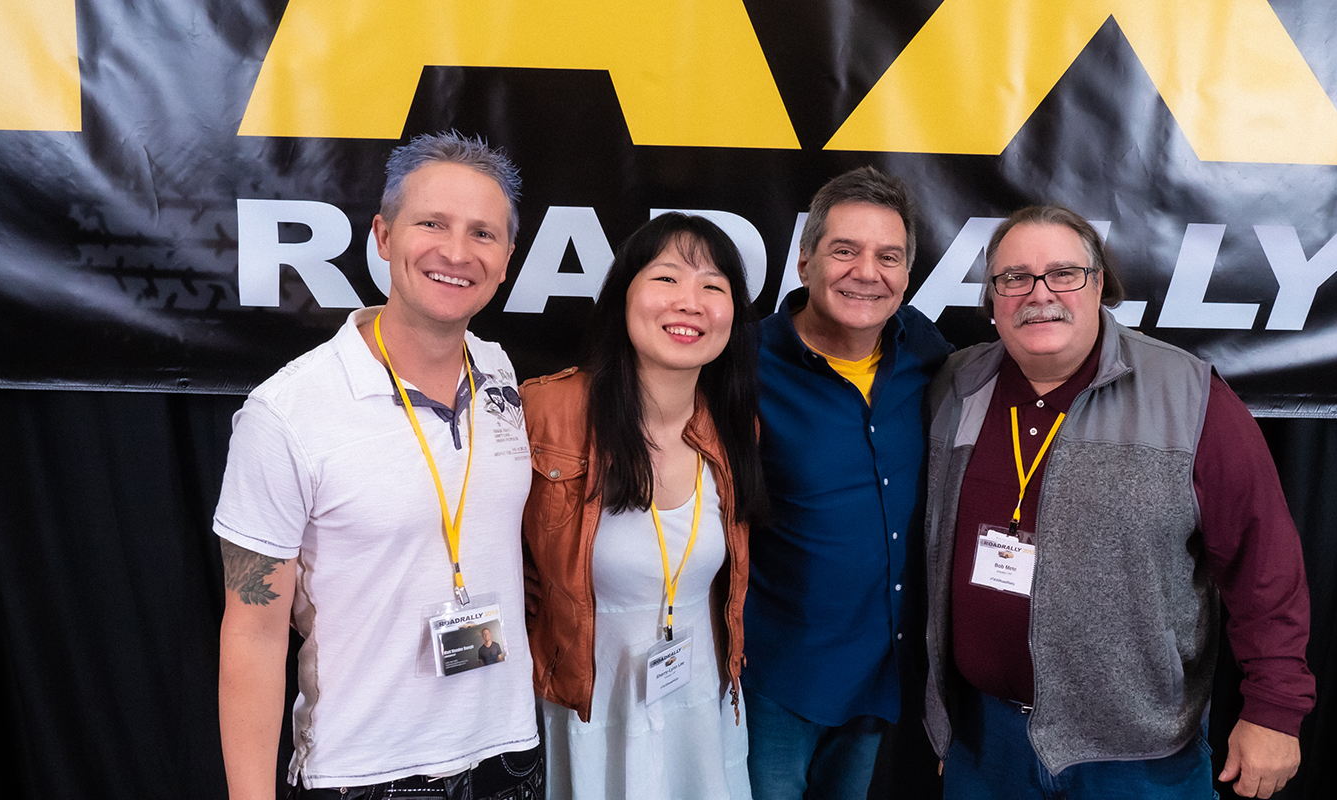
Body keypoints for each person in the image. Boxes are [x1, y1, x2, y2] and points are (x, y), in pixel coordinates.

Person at [923, 205, 1315, 799]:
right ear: (993, 298)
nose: (1039, 294)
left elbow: (1264, 562)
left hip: (1138, 759)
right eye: (1014, 278)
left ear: (1099, 283)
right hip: (985, 743)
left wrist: (1276, 708)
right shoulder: (955, 385)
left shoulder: (1189, 395)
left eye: (1064, 273)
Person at [215, 132, 542, 799]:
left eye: (483, 233)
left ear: (507, 259)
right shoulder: (285, 414)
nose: (456, 252)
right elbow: (251, 630)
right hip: (364, 771)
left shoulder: (501, 375)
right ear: (384, 236)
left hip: (506, 754)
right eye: (432, 223)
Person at [521, 212, 768, 800]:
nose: (690, 302)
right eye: (666, 279)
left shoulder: (735, 429)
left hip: (700, 704)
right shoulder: (546, 412)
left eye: (713, 286)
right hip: (584, 706)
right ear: (622, 295)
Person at [745, 166, 952, 799]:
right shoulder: (741, 363)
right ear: (804, 263)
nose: (867, 272)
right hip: (777, 676)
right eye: (845, 250)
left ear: (907, 276)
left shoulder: (926, 350)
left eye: (888, 257)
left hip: (880, 673)